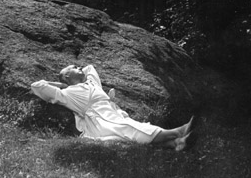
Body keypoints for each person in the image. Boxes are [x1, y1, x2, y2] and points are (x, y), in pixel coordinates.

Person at [31, 64, 194, 151]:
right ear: (67, 76)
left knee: (133, 131)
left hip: (113, 112)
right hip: (100, 120)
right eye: (75, 67)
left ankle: (176, 144)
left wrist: (72, 77)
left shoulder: (92, 82)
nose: (80, 68)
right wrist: (61, 84)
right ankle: (177, 132)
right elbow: (37, 86)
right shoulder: (66, 94)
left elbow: (90, 67)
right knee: (131, 130)